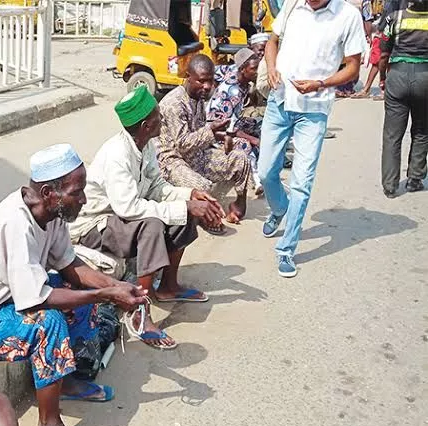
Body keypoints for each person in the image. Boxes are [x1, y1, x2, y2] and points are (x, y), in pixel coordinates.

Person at [0, 144, 149, 426]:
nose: (84, 199)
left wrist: (114, 286)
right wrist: (106, 294)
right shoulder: (16, 223)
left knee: (81, 296)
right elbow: (39, 299)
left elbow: (70, 266)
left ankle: (64, 381)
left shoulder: (52, 215)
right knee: (48, 324)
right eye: (76, 192)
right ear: (49, 193)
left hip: (8, 299)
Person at [69, 85, 225, 342]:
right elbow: (129, 209)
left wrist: (189, 195)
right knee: (151, 224)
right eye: (157, 116)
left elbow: (156, 187)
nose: (161, 119)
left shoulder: (145, 146)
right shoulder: (117, 155)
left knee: (182, 215)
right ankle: (138, 312)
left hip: (119, 217)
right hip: (93, 225)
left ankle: (167, 287)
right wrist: (183, 205)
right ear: (145, 125)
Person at [260, 0, 366, 277]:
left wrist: (320, 84)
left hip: (314, 110)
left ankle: (286, 249)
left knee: (301, 183)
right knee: (266, 171)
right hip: (280, 101)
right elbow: (273, 41)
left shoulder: (348, 15)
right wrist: (271, 68)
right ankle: (279, 207)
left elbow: (353, 67)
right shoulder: (294, 4)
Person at [156, 55, 253, 227]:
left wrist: (221, 137)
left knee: (240, 159)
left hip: (196, 153)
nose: (207, 86)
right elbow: (182, 145)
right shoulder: (174, 103)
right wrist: (211, 131)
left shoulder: (198, 97)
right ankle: (207, 218)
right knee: (203, 188)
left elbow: (200, 132)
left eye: (210, 81)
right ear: (188, 76)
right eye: (202, 81)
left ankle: (237, 206)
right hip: (173, 160)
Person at [379, 0, 428, 197]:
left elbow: (384, 53)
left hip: (398, 75)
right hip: (425, 77)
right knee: (422, 130)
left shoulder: (395, 17)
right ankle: (415, 179)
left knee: (392, 135)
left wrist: (383, 78)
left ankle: (390, 187)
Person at [208, 48, 264, 194]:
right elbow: (229, 129)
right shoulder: (232, 92)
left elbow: (215, 70)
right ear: (243, 69)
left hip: (233, 120)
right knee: (246, 143)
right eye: (254, 68)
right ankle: (256, 179)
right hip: (218, 133)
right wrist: (253, 139)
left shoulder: (236, 73)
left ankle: (264, 165)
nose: (257, 71)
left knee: (260, 125)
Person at [352, 24, 389, 99]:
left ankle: (384, 90)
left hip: (387, 34)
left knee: (387, 63)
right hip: (382, 34)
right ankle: (369, 89)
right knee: (377, 63)